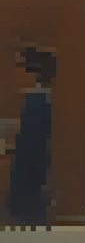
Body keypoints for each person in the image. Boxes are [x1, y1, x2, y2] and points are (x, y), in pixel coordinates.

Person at [4, 45, 55, 227]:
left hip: (30, 179)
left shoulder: (37, 101)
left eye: (20, 66)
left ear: (33, 72)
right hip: (32, 178)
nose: (16, 71)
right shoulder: (38, 98)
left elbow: (32, 147)